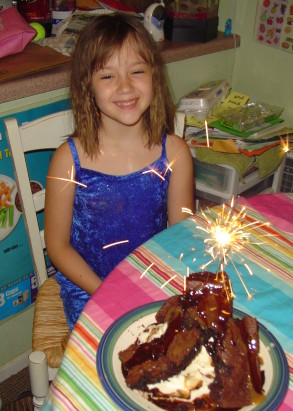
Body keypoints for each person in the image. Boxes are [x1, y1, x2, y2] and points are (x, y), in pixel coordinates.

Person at [44, 14, 194, 330]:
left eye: (137, 71)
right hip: (90, 291)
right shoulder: (67, 160)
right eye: (108, 76)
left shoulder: (176, 153)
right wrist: (105, 293)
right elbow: (57, 247)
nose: (125, 87)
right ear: (88, 85)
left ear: (154, 75)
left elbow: (182, 237)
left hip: (153, 285)